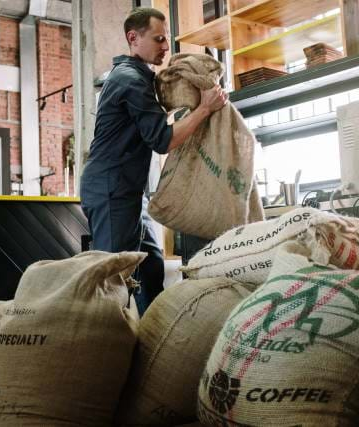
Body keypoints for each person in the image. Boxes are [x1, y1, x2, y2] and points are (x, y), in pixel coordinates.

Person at [79, 7, 228, 315]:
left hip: (129, 191)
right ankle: (103, 347)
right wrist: (204, 110)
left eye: (167, 40)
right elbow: (162, 140)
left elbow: (155, 124)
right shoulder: (129, 80)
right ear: (133, 38)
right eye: (159, 39)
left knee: (150, 267)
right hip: (111, 189)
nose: (165, 47)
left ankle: (152, 337)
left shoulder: (139, 78)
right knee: (114, 276)